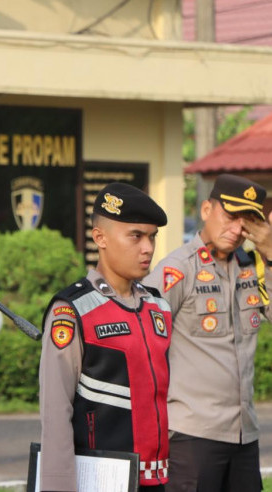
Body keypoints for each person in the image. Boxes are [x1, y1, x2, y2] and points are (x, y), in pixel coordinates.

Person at [39, 182, 172, 492]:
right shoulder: (73, 310)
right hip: (100, 480)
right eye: (136, 236)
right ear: (100, 238)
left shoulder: (158, 307)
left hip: (158, 480)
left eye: (152, 237)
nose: (148, 248)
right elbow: (56, 412)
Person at [143, 174, 272, 492]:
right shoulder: (178, 269)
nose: (237, 229)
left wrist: (270, 251)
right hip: (192, 436)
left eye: (247, 222)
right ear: (205, 210)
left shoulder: (254, 266)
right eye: (230, 216)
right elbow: (142, 343)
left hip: (244, 434)